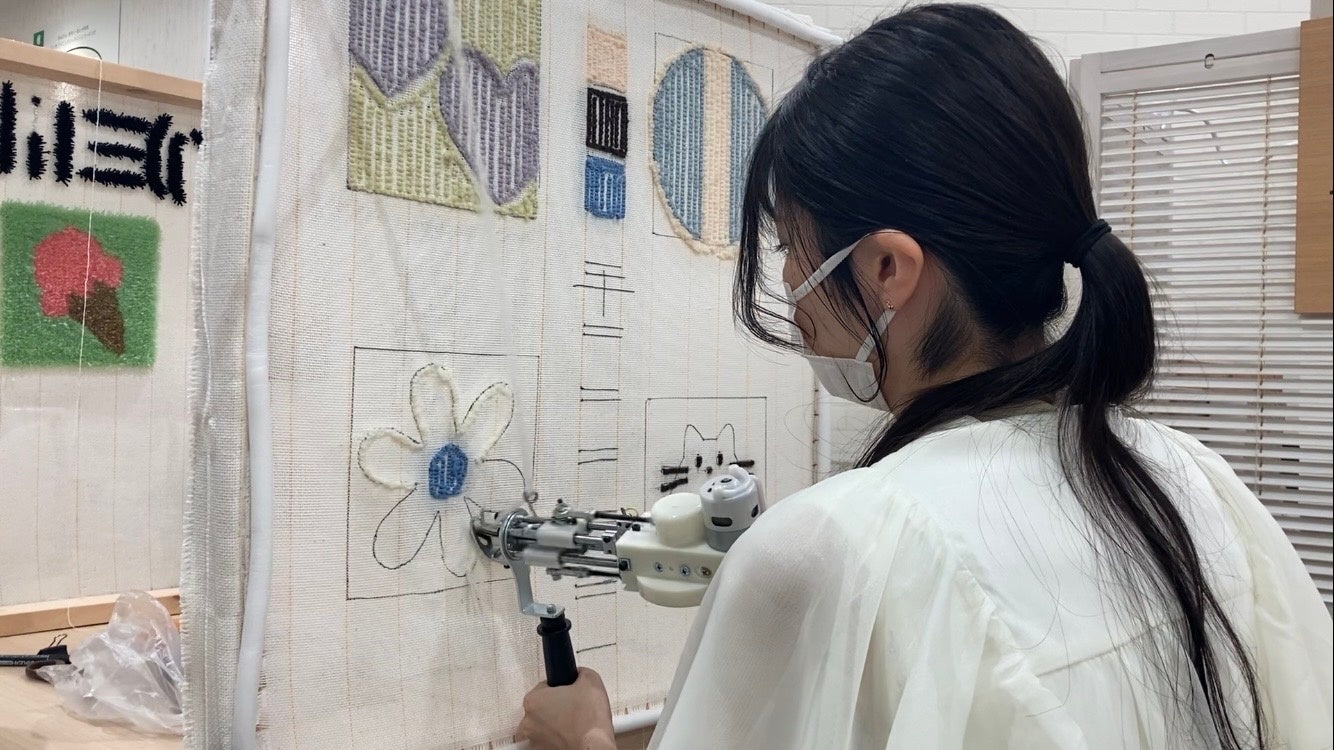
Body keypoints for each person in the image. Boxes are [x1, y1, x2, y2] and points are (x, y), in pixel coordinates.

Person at [516, 4, 1334, 749]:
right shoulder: (1198, 482)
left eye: (792, 247)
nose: (791, 287)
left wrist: (584, 740)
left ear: (886, 268)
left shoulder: (831, 548)